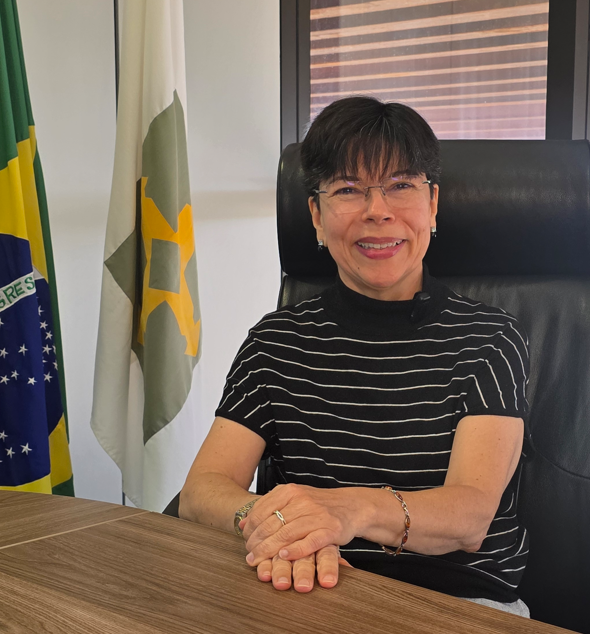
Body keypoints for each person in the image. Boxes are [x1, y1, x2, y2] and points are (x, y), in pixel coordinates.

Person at [179, 96, 531, 617]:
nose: (377, 211)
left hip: (455, 600)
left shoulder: (490, 338)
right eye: (348, 190)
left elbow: (469, 517)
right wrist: (286, 527)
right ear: (316, 217)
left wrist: (348, 511)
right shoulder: (275, 342)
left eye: (401, 186)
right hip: (302, 586)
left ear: (432, 205)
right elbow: (201, 492)